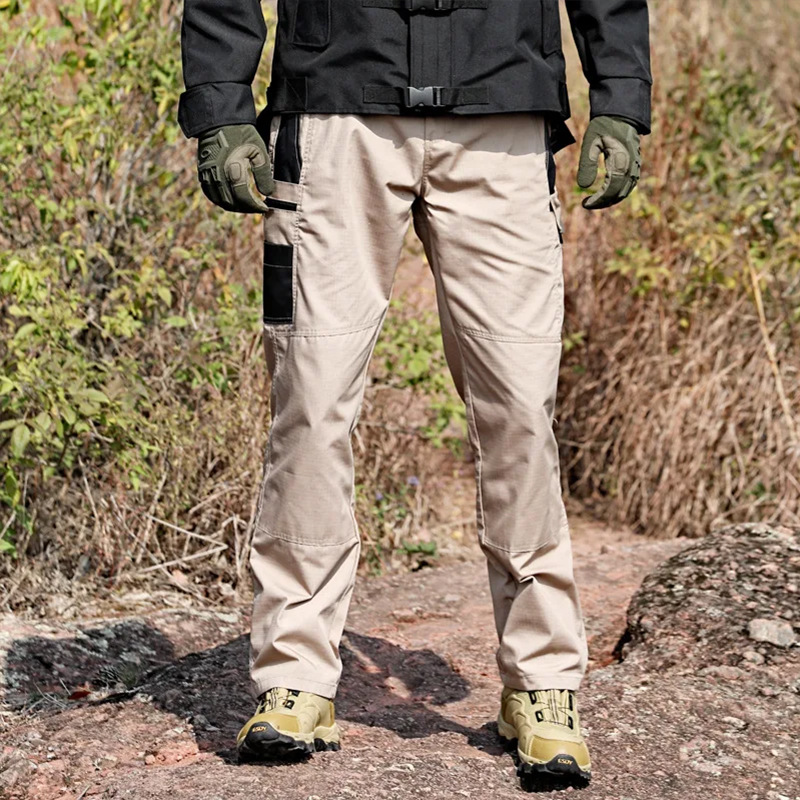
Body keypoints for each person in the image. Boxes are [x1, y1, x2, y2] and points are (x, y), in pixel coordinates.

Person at [178, 0, 651, 788]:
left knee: (519, 412)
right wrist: (220, 106)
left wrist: (622, 95)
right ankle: (295, 678)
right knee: (310, 403)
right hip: (334, 109)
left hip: (503, 111)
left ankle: (542, 684)